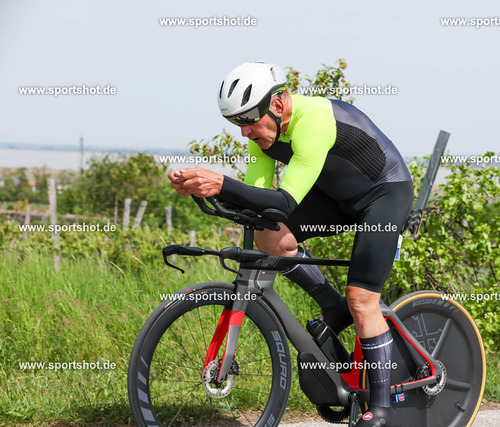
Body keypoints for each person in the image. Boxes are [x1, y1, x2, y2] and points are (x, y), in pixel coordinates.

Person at [169, 61, 413, 427]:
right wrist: (203, 188)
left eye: (249, 120)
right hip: (336, 199)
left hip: (383, 195)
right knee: (268, 233)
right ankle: (331, 304)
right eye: (237, 123)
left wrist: (221, 182)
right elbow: (259, 205)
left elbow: (283, 202)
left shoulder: (313, 120)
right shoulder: (263, 137)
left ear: (278, 105)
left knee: (362, 300)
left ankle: (380, 410)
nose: (244, 132)